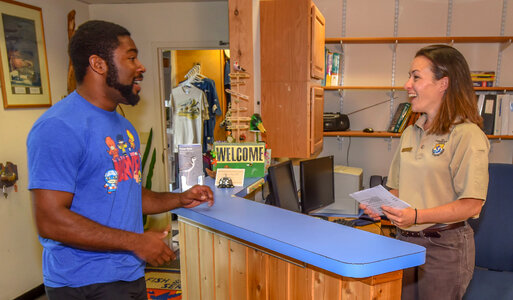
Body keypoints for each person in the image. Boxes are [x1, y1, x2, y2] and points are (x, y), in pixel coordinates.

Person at [27, 20, 214, 299]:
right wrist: (136, 242)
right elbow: (51, 220)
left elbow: (126, 194)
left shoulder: (122, 126)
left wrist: (179, 199)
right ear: (99, 64)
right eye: (131, 57)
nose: (141, 67)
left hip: (128, 273)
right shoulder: (59, 127)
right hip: (83, 284)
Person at [361, 45, 489, 300]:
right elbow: (399, 188)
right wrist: (382, 206)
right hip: (404, 242)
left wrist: (417, 216)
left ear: (443, 83)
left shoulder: (467, 135)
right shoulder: (411, 132)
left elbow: (472, 204)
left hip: (445, 247)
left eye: (416, 77)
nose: (408, 84)